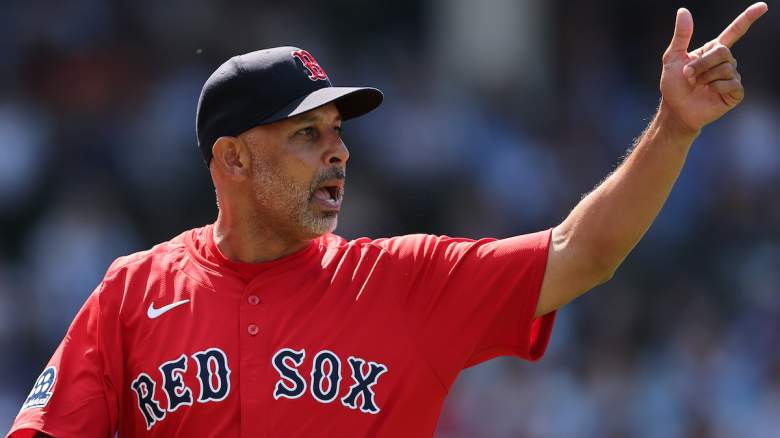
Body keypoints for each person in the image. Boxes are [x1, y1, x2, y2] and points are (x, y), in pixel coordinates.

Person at [6, 3, 769, 437]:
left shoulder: (405, 281)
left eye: (339, 131)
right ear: (233, 160)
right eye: (307, 134)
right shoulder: (133, 293)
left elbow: (584, 251)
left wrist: (673, 130)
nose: (337, 153)